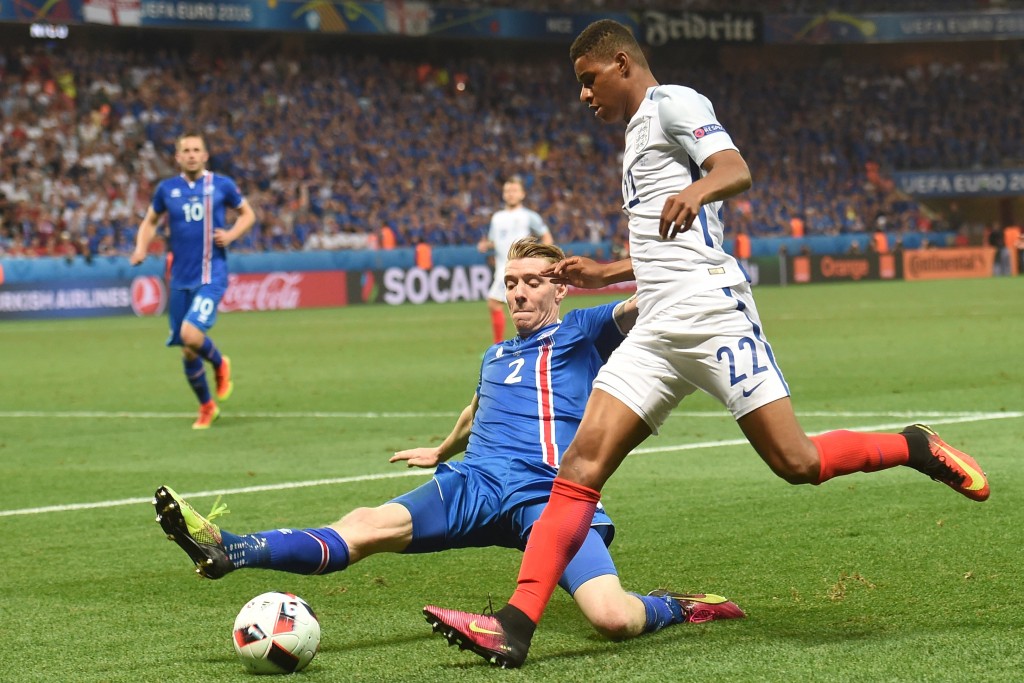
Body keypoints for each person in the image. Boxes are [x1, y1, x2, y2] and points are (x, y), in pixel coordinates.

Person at [424, 19, 990, 669]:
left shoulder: (674, 103)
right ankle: (514, 623)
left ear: (621, 63)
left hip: (713, 312)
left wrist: (698, 188)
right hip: (658, 323)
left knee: (795, 460)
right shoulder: (635, 135)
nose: (584, 95)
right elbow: (661, 244)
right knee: (578, 468)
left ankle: (913, 445)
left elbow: (734, 168)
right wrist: (606, 272)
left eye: (589, 80)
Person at [152, 238, 744, 650]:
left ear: (559, 288)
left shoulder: (583, 331)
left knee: (612, 618)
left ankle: (677, 605)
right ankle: (232, 549)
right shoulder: (495, 354)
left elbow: (651, 302)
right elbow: (478, 407)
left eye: (533, 283)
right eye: (510, 283)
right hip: (473, 485)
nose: (518, 294)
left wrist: (665, 265)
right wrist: (442, 450)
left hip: (551, 497)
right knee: (362, 526)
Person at [130, 132, 256, 429]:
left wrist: (232, 234)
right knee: (187, 349)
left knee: (190, 334)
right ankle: (206, 406)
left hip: (211, 274)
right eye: (185, 150)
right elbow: (149, 221)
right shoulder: (167, 189)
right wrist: (140, 248)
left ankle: (220, 363)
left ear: (205, 155)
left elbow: (247, 214)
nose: (190, 154)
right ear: (177, 157)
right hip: (179, 279)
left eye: (196, 149)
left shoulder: (221, 185)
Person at [478, 176, 553, 343]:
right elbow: (494, 241)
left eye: (514, 191)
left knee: (515, 305)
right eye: (507, 191)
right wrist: (486, 245)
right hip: (502, 268)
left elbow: (547, 236)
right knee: (501, 304)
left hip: (521, 268)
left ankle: (503, 344)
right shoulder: (497, 217)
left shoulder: (529, 216)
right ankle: (520, 343)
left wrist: (542, 258)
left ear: (522, 194)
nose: (510, 194)